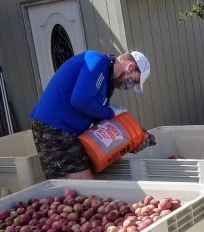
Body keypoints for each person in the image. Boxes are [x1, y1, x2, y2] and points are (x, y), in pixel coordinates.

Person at [30, 50, 152, 180]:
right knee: (82, 188)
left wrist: (134, 138)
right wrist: (110, 112)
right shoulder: (98, 61)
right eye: (134, 80)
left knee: (74, 190)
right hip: (54, 128)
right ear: (131, 67)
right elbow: (81, 101)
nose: (129, 86)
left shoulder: (106, 86)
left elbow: (99, 125)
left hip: (67, 131)